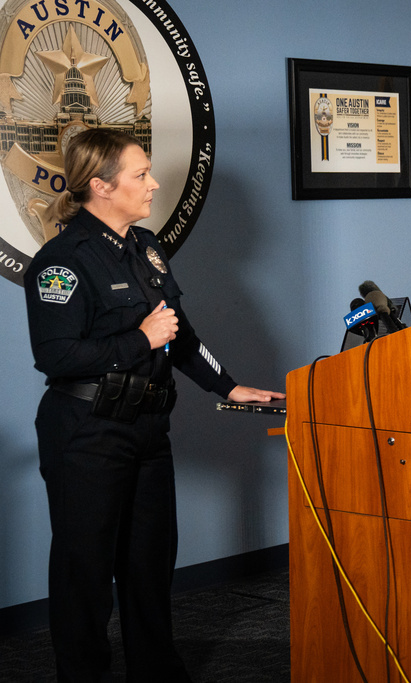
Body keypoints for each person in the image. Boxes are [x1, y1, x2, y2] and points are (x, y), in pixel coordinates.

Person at [23, 128, 285, 682]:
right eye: (140, 174)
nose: (154, 183)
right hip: (86, 432)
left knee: (148, 567)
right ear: (100, 186)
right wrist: (139, 340)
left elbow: (179, 333)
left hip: (146, 429)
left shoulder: (146, 248)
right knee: (85, 574)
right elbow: (56, 355)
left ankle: (158, 673)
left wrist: (228, 386)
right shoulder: (62, 260)